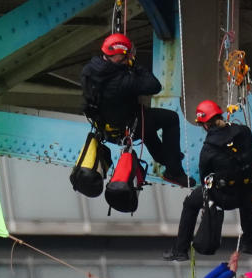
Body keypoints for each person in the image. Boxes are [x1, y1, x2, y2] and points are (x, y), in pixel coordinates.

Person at [80, 33, 193, 187]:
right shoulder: (122, 81)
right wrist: (134, 65)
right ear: (120, 57)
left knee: (148, 127)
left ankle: (167, 158)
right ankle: (174, 172)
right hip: (127, 128)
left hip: (105, 127)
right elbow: (154, 86)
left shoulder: (89, 70)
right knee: (171, 119)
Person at [164, 100, 252, 261]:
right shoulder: (244, 131)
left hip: (224, 197)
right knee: (246, 192)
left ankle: (180, 250)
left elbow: (204, 176)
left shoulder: (209, 148)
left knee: (190, 203)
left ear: (205, 125)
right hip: (245, 193)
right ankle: (248, 242)